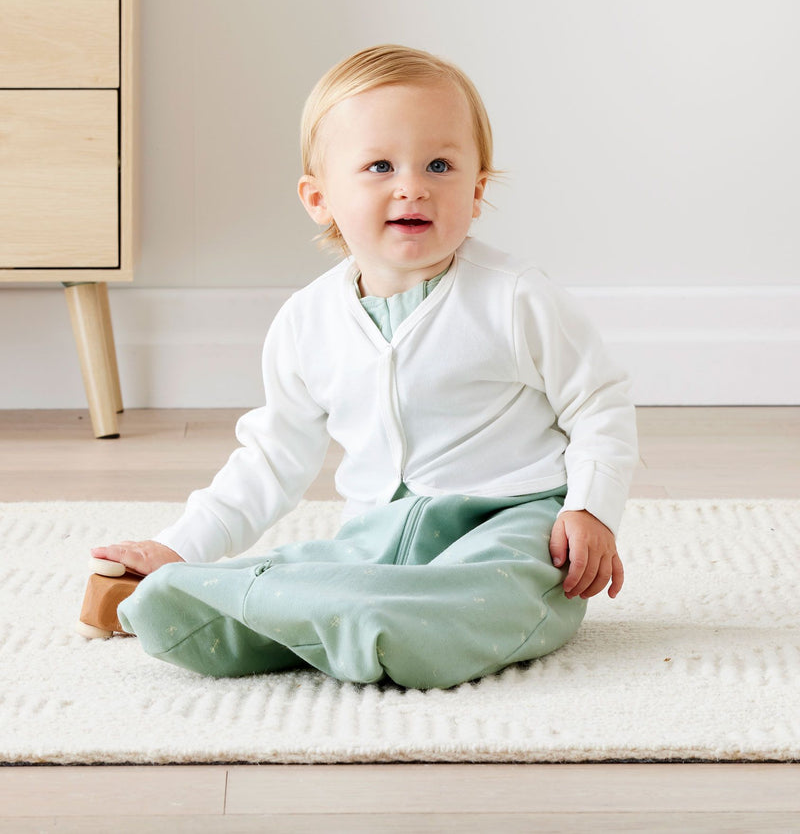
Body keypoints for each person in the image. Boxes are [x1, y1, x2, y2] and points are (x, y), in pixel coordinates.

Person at [92, 44, 639, 689]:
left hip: (514, 521)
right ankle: (231, 598)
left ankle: (359, 621)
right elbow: (271, 460)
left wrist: (591, 509)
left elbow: (598, 403)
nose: (413, 185)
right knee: (324, 566)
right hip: (378, 534)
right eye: (380, 165)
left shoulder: (515, 297)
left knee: (498, 591)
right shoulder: (306, 321)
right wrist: (178, 547)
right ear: (319, 197)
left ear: (477, 191)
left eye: (440, 164)